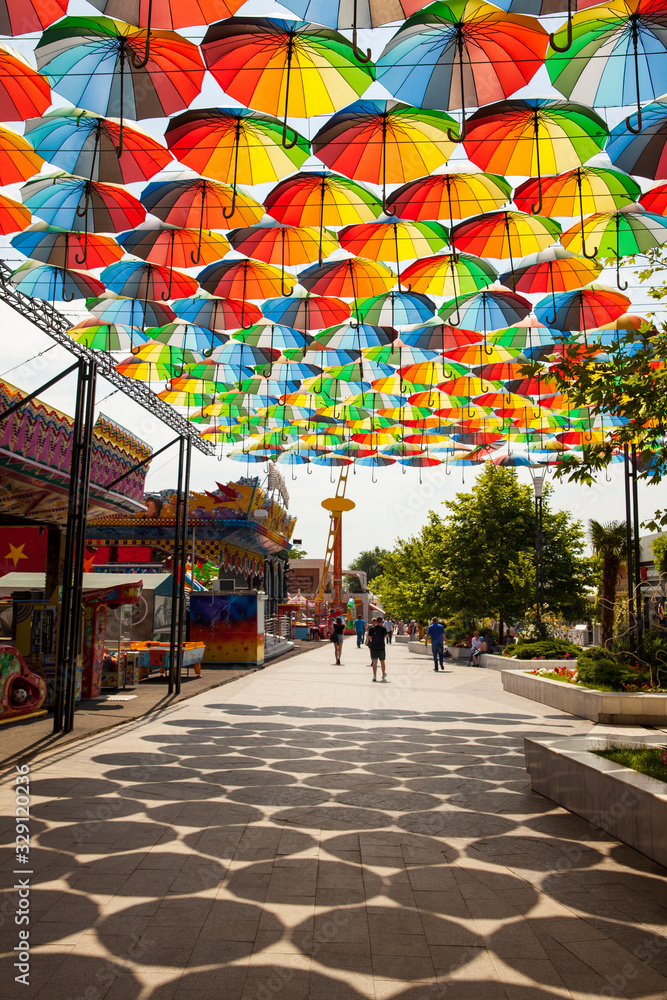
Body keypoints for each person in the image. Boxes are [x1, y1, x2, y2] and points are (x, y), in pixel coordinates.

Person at [367, 615, 388, 681]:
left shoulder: (372, 629)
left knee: (374, 662)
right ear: (382, 622)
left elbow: (369, 637)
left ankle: (374, 676)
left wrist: (372, 640)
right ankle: (383, 674)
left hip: (374, 646)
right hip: (381, 646)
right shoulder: (383, 629)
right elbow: (386, 636)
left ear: (375, 621)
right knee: (382, 661)